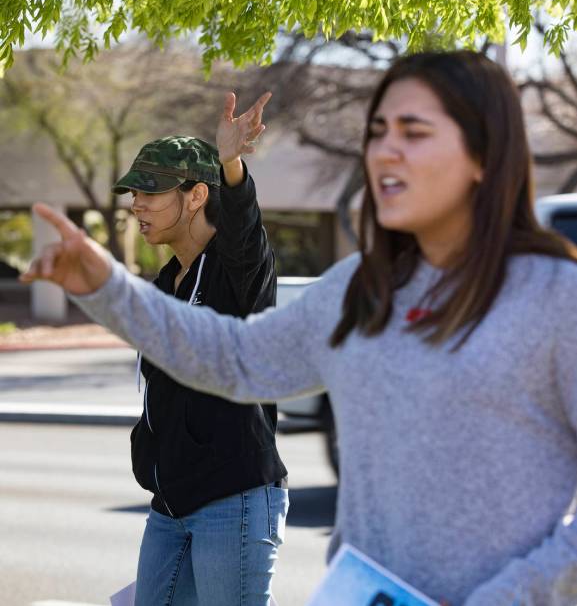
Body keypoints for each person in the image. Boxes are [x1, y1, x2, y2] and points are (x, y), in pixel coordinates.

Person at [22, 51, 577, 605]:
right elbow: (235, 359)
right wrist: (104, 285)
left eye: (414, 131)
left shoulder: (557, 300)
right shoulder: (361, 288)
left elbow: (241, 240)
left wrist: (509, 596)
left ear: (485, 153)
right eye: (379, 130)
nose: (386, 150)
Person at [67, 92, 290, 606]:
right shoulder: (166, 281)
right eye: (133, 194)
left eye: (151, 191)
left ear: (194, 196)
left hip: (231, 500)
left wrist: (230, 164)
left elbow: (244, 232)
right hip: (169, 504)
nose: (136, 204)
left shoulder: (237, 271)